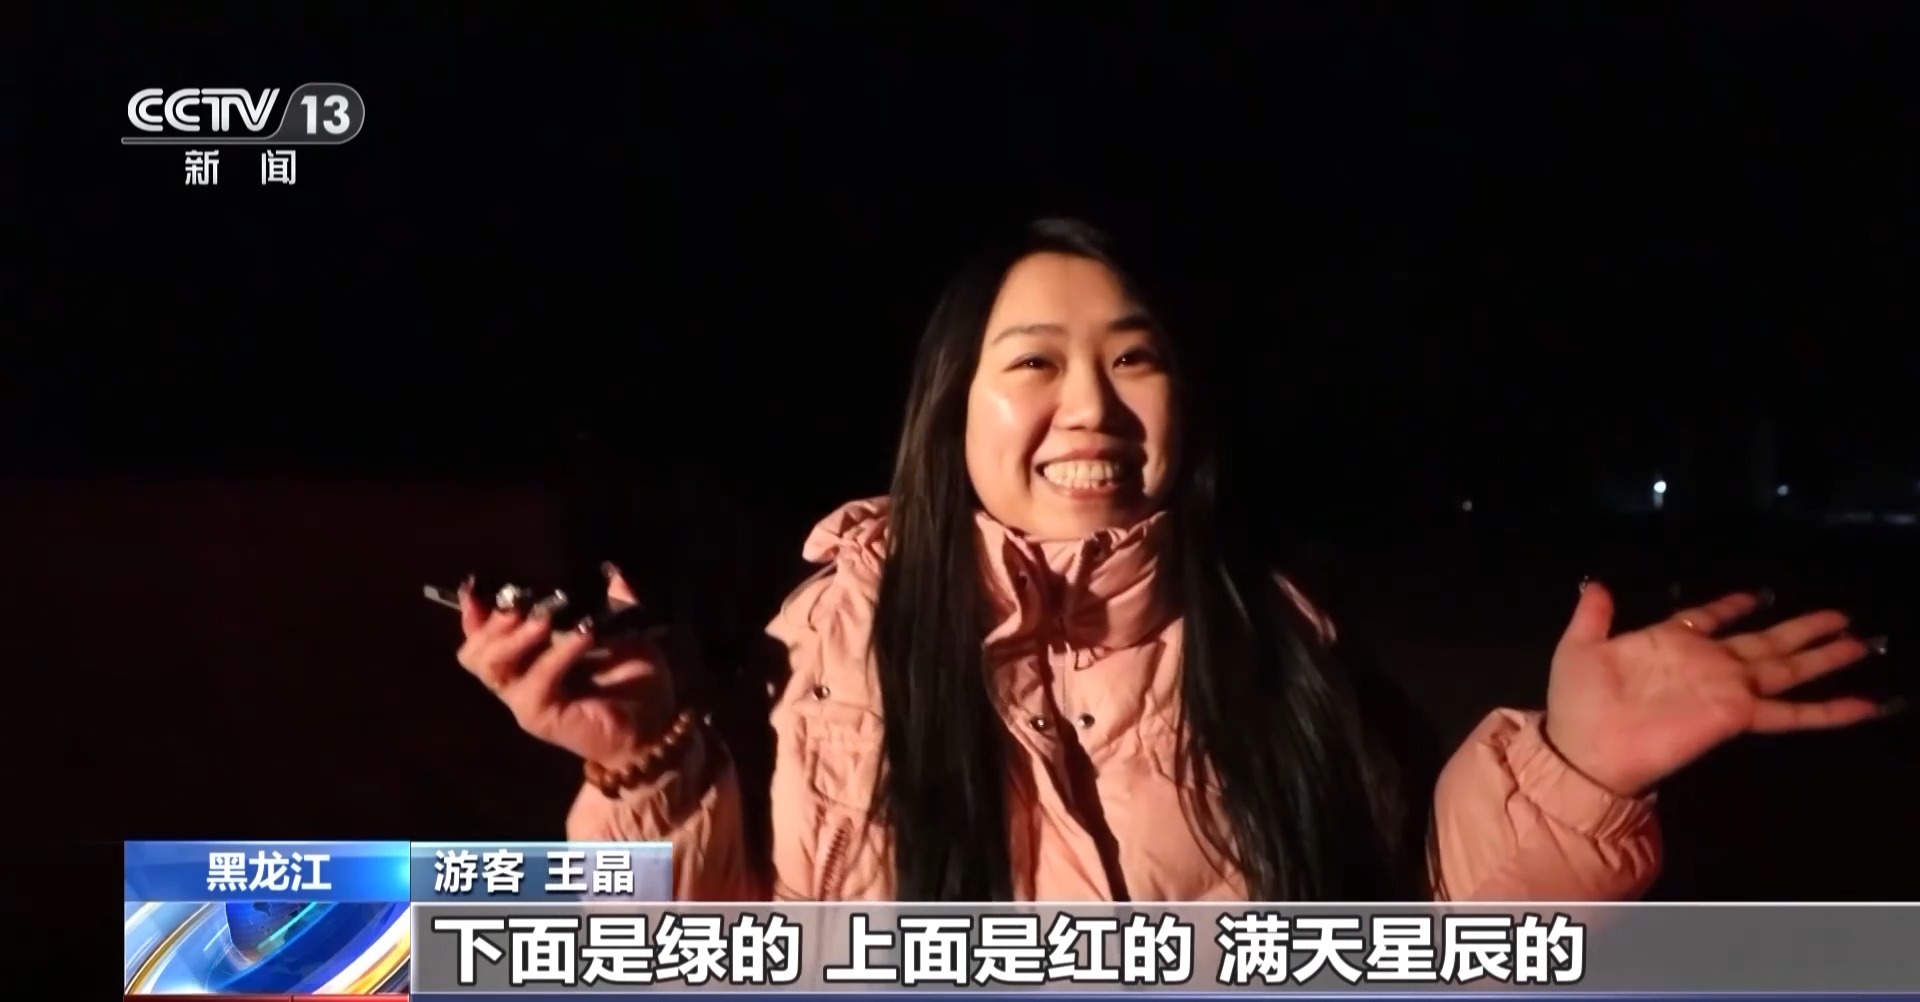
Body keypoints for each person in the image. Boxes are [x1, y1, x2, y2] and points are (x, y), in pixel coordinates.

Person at [454, 218, 1889, 902]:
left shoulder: (1278, 634)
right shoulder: (823, 657)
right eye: (1035, 363)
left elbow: (1413, 936)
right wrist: (645, 773)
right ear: (950, 414)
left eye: (1132, 359)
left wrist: (1570, 779)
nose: (1092, 406)